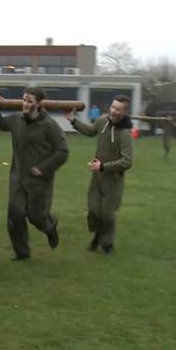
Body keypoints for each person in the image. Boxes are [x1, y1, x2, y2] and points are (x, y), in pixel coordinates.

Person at [0, 87, 69, 260]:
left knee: (36, 217)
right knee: (15, 214)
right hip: (18, 177)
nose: (25, 104)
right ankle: (22, 253)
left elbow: (63, 151)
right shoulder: (16, 119)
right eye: (24, 100)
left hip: (39, 181)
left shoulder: (49, 125)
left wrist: (43, 168)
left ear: (38, 104)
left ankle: (49, 226)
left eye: (29, 101)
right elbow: (0, 123)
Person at [65, 95, 133, 254]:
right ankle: (97, 235)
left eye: (118, 109)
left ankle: (107, 244)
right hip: (97, 179)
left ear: (124, 112)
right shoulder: (102, 121)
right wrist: (72, 120)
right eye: (113, 107)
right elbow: (90, 131)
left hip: (113, 181)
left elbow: (127, 162)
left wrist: (103, 166)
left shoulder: (125, 134)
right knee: (94, 211)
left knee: (107, 215)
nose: (114, 111)